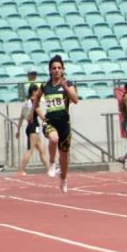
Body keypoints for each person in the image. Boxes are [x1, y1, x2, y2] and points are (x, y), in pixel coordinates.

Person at [30, 55, 78, 193]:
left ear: (63, 69)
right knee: (53, 138)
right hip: (50, 122)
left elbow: (75, 100)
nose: (57, 70)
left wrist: (65, 87)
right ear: (50, 70)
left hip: (64, 125)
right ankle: (51, 163)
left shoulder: (68, 84)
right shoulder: (45, 86)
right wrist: (32, 113)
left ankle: (63, 178)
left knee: (64, 157)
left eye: (59, 68)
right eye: (54, 68)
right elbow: (36, 99)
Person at [16, 84, 50, 176]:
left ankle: (49, 169)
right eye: (38, 91)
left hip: (31, 127)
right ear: (34, 92)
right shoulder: (35, 102)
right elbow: (40, 115)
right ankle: (21, 170)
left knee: (42, 150)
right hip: (34, 127)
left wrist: (18, 130)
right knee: (30, 150)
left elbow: (21, 117)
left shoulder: (26, 103)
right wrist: (50, 121)